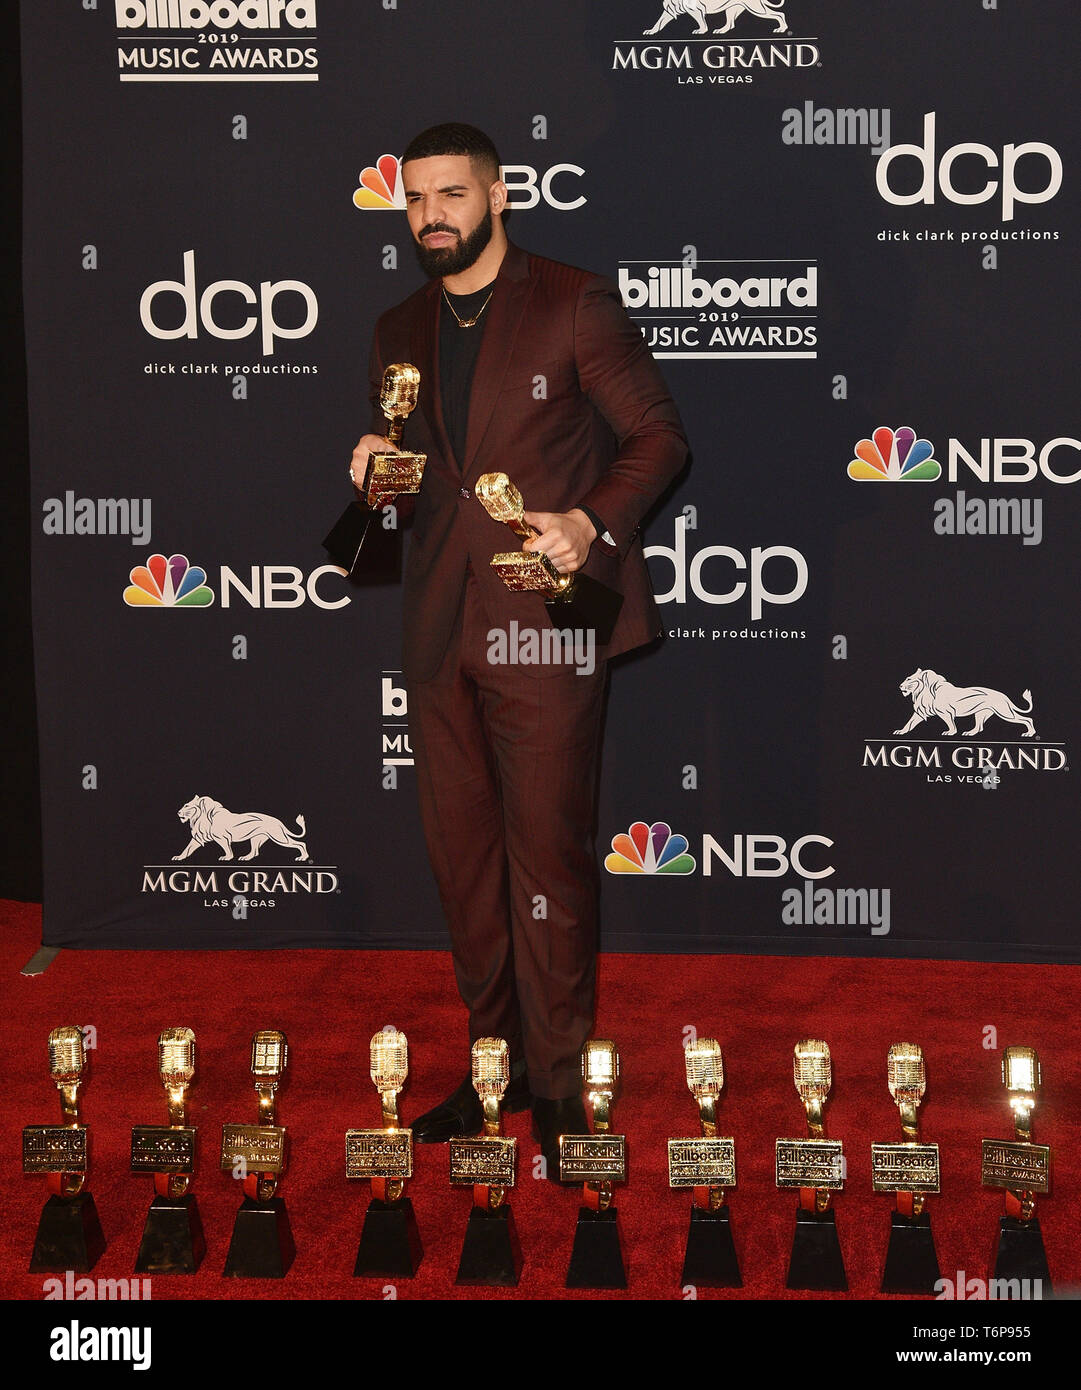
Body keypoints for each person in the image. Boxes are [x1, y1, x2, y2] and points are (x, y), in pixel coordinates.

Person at [350, 123, 688, 1177]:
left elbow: (659, 438)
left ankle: (556, 1081)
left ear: (498, 194)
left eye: (452, 194)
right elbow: (423, 480)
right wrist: (376, 471)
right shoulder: (398, 323)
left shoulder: (571, 300)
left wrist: (588, 523)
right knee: (466, 866)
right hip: (437, 631)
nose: (432, 216)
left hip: (541, 624)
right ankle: (489, 1065)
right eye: (416, 201)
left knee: (547, 860)